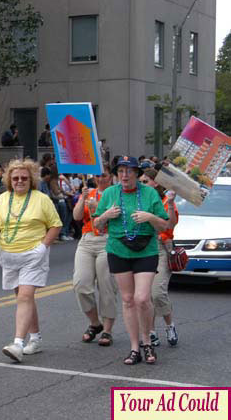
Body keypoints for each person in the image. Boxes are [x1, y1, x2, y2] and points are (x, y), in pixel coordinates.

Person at [0, 159, 62, 362]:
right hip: (9, 255)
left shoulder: (41, 199)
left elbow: (55, 225)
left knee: (25, 296)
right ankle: (35, 338)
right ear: (9, 179)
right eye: (16, 177)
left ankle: (17, 343)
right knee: (23, 298)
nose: (20, 181)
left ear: (31, 179)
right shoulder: (2, 199)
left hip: (33, 255)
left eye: (24, 178)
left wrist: (43, 246)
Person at [93, 156, 169, 365]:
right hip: (118, 249)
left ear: (137, 173)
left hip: (146, 250)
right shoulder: (109, 193)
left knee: (142, 298)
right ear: (117, 175)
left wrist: (150, 217)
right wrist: (106, 215)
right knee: (127, 300)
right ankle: (135, 347)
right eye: (121, 171)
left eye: (129, 171)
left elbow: (164, 225)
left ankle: (147, 342)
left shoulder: (150, 193)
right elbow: (98, 225)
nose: (124, 175)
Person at [72, 169, 118, 346]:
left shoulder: (116, 194)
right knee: (81, 284)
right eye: (97, 176)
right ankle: (94, 323)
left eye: (104, 176)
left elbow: (117, 216)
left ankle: (107, 330)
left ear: (111, 177)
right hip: (87, 238)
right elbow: (76, 217)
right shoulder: (88, 192)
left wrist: (97, 209)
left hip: (108, 239)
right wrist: (82, 199)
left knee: (107, 286)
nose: (100, 179)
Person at [141, 168, 179, 347]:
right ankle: (150, 331)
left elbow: (171, 223)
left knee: (157, 293)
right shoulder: (142, 200)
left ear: (155, 182)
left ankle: (170, 325)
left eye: (145, 181)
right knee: (144, 295)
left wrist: (171, 203)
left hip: (162, 247)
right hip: (143, 247)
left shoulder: (165, 200)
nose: (142, 184)